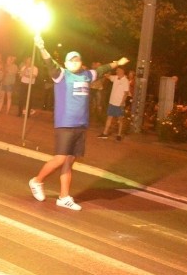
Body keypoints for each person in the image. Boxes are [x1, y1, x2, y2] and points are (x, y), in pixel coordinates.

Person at [28, 36, 128, 210]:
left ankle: (64, 197)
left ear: (81, 63)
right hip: (65, 123)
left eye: (77, 60)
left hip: (81, 125)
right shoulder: (61, 75)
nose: (75, 62)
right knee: (60, 158)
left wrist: (117, 63)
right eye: (71, 60)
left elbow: (103, 69)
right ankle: (37, 181)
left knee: (69, 161)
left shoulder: (87, 75)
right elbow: (50, 62)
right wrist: (42, 47)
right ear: (66, 64)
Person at [98, 66, 131, 140]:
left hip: (119, 103)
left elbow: (126, 93)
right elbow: (109, 76)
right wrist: (104, 71)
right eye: (116, 70)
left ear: (122, 71)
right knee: (109, 117)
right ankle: (105, 133)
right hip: (112, 102)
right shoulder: (115, 77)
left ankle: (119, 135)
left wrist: (122, 103)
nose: (116, 71)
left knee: (120, 119)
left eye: (118, 70)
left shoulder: (125, 80)